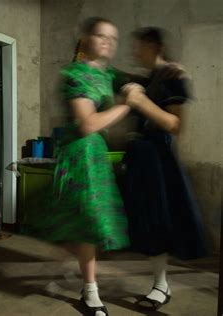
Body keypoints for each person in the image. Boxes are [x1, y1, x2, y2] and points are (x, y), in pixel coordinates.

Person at [22, 17, 131, 316]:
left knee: (92, 225)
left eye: (113, 37)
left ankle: (79, 272)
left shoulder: (108, 74)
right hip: (79, 154)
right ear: (86, 39)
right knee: (87, 225)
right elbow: (87, 124)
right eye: (100, 35)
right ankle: (90, 293)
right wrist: (126, 105)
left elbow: (138, 81)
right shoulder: (74, 74)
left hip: (96, 154)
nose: (108, 41)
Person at [121, 27, 207, 311]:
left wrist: (141, 102)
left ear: (153, 45)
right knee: (146, 223)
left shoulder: (173, 76)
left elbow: (175, 125)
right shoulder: (148, 78)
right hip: (141, 159)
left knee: (160, 222)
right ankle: (161, 282)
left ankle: (161, 285)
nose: (135, 52)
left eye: (139, 46)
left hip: (159, 160)